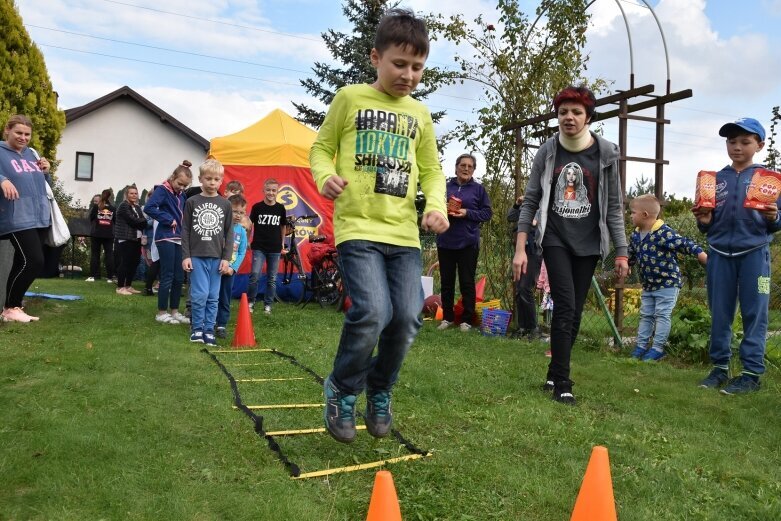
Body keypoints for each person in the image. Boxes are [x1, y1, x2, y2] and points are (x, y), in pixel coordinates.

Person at [309, 8, 449, 443]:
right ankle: (342, 388)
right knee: (373, 313)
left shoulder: (419, 115)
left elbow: (432, 170)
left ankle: (381, 390)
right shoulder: (350, 98)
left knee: (407, 317)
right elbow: (320, 149)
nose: (408, 74)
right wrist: (323, 177)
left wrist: (437, 205)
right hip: (358, 230)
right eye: (400, 64)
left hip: (404, 234)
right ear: (376, 57)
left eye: (418, 67)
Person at [512, 86, 629, 405]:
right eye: (563, 111)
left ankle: (553, 370)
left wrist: (621, 251)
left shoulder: (605, 153)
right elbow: (531, 200)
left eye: (576, 112)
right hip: (555, 239)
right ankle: (563, 381)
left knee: (574, 311)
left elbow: (615, 206)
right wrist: (521, 248)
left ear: (588, 117)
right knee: (564, 305)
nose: (569, 117)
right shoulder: (548, 152)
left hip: (590, 243)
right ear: (557, 115)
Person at [692, 117, 778, 394]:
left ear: (759, 145)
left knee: (756, 314)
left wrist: (775, 217)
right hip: (718, 254)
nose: (737, 147)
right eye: (732, 141)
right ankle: (719, 369)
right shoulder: (715, 180)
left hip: (755, 255)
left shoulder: (770, 181)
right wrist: (704, 220)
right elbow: (706, 225)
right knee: (720, 313)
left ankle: (751, 374)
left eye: (745, 141)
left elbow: (776, 222)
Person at [628, 194, 707, 361]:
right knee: (646, 315)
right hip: (648, 284)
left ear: (645, 214)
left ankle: (657, 349)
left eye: (632, 212)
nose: (630, 216)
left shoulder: (663, 232)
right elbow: (631, 253)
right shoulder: (635, 235)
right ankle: (641, 346)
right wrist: (627, 264)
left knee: (662, 315)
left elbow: (684, 244)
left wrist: (700, 254)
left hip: (667, 283)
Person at [0, 114, 52, 323]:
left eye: (27, 134)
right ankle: (10, 306)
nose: (23, 137)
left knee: (23, 261)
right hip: (15, 216)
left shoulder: (32, 154)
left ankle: (14, 308)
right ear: (7, 131)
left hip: (38, 214)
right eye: (18, 133)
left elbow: (42, 184)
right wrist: (2, 180)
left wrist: (46, 172)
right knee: (34, 260)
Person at [435, 153, 493, 332]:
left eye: (470, 166)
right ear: (456, 167)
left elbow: (487, 213)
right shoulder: (445, 187)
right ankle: (447, 318)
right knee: (447, 281)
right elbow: (435, 207)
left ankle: (466, 320)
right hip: (445, 240)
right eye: (463, 165)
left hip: (468, 242)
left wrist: (467, 212)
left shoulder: (478, 190)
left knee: (467, 282)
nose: (466, 168)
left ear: (473, 170)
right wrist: (442, 209)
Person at [181, 159, 233, 346]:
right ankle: (197, 328)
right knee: (200, 294)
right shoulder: (191, 202)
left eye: (216, 179)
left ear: (221, 181)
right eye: (208, 178)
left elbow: (229, 232)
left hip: (217, 258)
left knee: (213, 296)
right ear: (201, 179)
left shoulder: (225, 204)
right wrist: (186, 256)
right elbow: (185, 230)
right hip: (196, 256)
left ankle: (209, 329)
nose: (212, 182)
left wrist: (226, 259)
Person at [144, 160, 192, 325]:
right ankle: (161, 312)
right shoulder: (162, 190)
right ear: (173, 177)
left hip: (178, 238)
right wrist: (167, 219)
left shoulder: (181, 195)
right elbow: (149, 207)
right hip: (165, 237)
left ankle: (174, 311)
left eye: (185, 185)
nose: (182, 187)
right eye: (180, 183)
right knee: (168, 275)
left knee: (179, 277)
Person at [507, 194, 546, 341]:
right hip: (521, 251)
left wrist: (532, 220)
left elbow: (537, 223)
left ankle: (534, 328)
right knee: (519, 289)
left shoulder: (544, 206)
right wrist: (517, 204)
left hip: (534, 252)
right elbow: (511, 217)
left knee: (525, 288)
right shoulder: (526, 205)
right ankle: (522, 328)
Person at [247, 178, 286, 314]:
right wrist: (246, 240)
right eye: (268, 190)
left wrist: (282, 242)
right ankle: (251, 302)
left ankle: (267, 305)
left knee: (272, 278)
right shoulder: (257, 207)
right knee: (255, 275)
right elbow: (249, 225)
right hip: (259, 247)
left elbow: (283, 226)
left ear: (277, 192)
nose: (271, 193)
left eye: (273, 190)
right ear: (263, 190)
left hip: (275, 248)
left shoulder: (281, 208)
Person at [216, 194, 249, 339]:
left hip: (229, 271)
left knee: (225, 296)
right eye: (235, 211)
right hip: (215, 268)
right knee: (211, 296)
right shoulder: (219, 226)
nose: (238, 215)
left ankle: (221, 324)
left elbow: (242, 252)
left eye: (241, 212)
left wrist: (233, 268)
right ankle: (208, 322)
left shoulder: (242, 231)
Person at [113, 185, 148, 295]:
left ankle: (128, 285)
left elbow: (144, 222)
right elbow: (132, 220)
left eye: (135, 193)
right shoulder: (123, 206)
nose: (134, 195)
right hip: (125, 238)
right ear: (126, 195)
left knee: (134, 262)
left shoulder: (137, 207)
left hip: (136, 238)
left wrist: (141, 221)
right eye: (131, 193)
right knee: (125, 262)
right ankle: (120, 287)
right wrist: (141, 221)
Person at [87, 188, 115, 283]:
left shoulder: (96, 207)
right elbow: (115, 221)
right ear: (110, 197)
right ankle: (110, 277)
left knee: (95, 254)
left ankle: (92, 276)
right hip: (109, 234)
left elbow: (91, 218)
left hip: (96, 233)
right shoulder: (112, 208)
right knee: (109, 255)